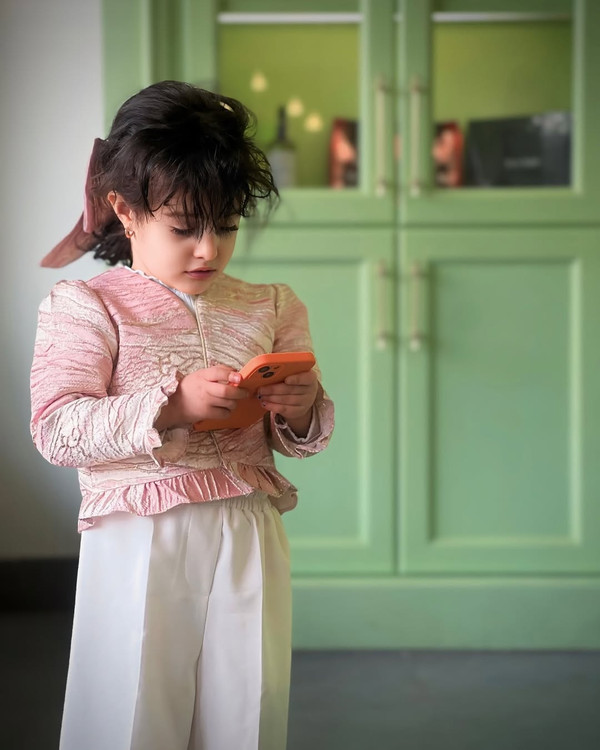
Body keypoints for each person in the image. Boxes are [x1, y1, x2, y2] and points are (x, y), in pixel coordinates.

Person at [30, 80, 334, 750]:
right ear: (125, 210)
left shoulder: (272, 305)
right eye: (184, 227)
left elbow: (298, 436)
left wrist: (303, 407)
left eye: (226, 226)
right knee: (132, 712)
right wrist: (171, 406)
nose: (208, 249)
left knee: (247, 710)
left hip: (248, 527)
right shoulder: (87, 305)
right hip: (139, 534)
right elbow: (56, 428)